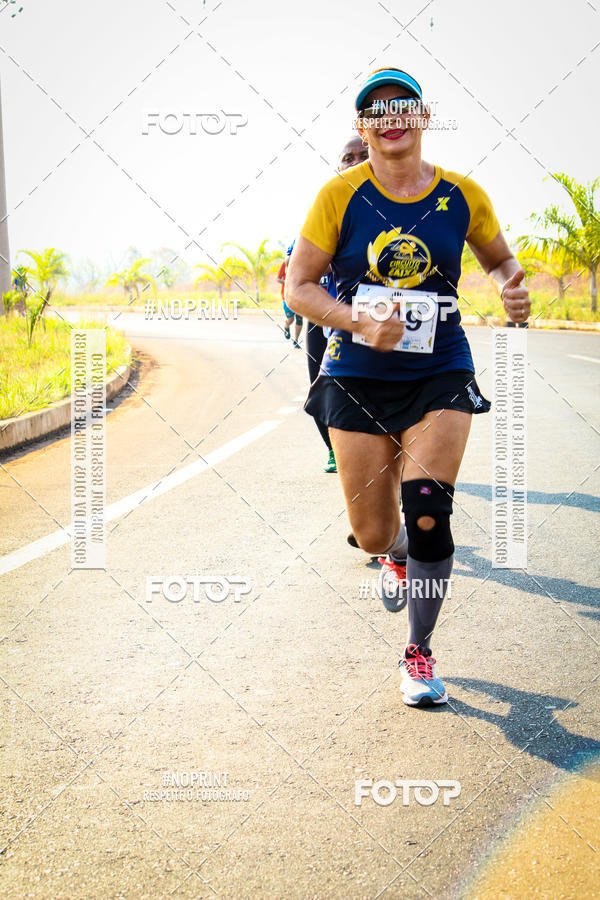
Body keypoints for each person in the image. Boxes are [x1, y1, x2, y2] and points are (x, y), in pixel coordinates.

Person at [286, 67, 530, 708]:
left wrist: (510, 284)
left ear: (422, 117)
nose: (391, 117)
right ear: (362, 126)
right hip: (356, 375)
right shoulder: (338, 195)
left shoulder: (462, 194)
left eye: (404, 106)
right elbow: (299, 287)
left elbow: (499, 259)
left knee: (428, 512)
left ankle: (418, 651)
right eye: (377, 109)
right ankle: (392, 552)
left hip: (440, 369)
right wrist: (358, 321)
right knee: (373, 532)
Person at [306, 135, 370, 473]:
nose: (356, 161)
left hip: (375, 317)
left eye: (364, 154)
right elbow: (299, 266)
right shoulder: (327, 205)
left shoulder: (399, 205)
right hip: (323, 315)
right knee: (322, 384)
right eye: (348, 157)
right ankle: (334, 448)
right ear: (338, 166)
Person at [279, 246, 303, 347]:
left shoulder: (302, 264)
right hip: (287, 296)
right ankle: (286, 325)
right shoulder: (285, 264)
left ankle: (296, 340)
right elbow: (278, 278)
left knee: (299, 319)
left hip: (299, 296)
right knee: (291, 319)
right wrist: (288, 282)